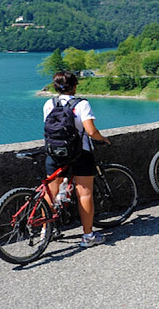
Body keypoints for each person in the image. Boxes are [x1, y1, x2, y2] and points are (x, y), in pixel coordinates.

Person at [43, 70, 113, 247]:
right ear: (74, 86)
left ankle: (46, 231)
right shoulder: (82, 104)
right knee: (84, 193)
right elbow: (90, 131)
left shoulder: (49, 103)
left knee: (50, 194)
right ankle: (88, 236)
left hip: (55, 152)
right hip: (80, 154)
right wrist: (102, 138)